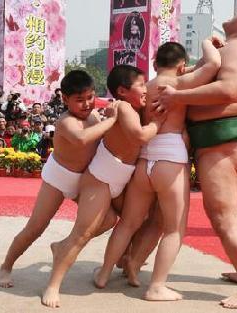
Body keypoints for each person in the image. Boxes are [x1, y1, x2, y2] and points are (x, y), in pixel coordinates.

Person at [155, 6, 237, 309]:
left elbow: (228, 88)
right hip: (218, 141)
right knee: (229, 215)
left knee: (223, 217)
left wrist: (176, 96)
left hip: (221, 142)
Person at [93, 41, 221, 300]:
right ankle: (156, 286)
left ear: (154, 64)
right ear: (182, 66)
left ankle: (104, 273)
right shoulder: (180, 83)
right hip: (170, 158)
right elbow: (214, 64)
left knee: (128, 223)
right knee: (174, 229)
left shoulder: (145, 88)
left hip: (144, 159)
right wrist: (208, 42)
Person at [41, 65, 164, 308]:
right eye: (141, 84)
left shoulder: (130, 106)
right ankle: (53, 284)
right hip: (101, 180)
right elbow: (140, 136)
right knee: (82, 234)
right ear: (122, 90)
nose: (146, 89)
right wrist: (158, 124)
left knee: (133, 220)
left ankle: (119, 263)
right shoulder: (125, 107)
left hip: (118, 178)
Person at [0, 70, 119, 288]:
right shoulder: (65, 121)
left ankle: (63, 246)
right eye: (79, 100)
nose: (86, 104)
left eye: (90, 97)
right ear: (65, 99)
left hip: (84, 181)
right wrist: (111, 121)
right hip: (58, 178)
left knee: (108, 219)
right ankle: (6, 265)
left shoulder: (95, 116)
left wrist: (110, 117)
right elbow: (81, 139)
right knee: (35, 228)